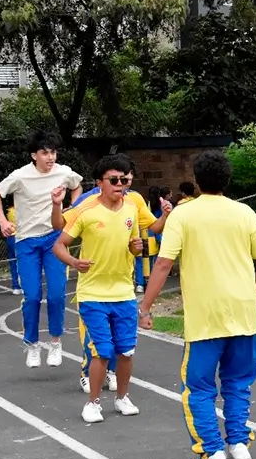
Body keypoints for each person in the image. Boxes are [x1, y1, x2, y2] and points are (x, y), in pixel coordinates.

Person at [138, 151, 256, 459]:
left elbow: (164, 263)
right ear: (228, 179)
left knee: (198, 387)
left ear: (196, 181)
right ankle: (239, 445)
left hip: (205, 318)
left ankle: (211, 452)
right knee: (238, 383)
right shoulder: (245, 213)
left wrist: (145, 304)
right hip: (242, 313)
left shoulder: (183, 216)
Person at [53, 155, 172, 395]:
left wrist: (165, 216)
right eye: (115, 179)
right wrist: (57, 206)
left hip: (122, 288)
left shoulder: (134, 202)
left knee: (124, 345)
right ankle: (88, 375)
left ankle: (115, 381)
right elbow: (59, 230)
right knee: (98, 345)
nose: (121, 184)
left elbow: (152, 228)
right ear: (100, 182)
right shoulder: (87, 204)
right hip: (93, 289)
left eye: (126, 179)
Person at [0, 131, 83, 369]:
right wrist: (2, 221)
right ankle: (32, 344)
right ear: (34, 155)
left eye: (53, 152)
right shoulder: (21, 176)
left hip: (54, 238)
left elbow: (78, 186)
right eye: (45, 153)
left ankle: (55, 341)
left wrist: (72, 210)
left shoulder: (64, 172)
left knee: (55, 294)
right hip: (27, 241)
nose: (50, 157)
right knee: (32, 296)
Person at [4, 198, 22, 295]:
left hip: (21, 236)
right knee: (15, 262)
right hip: (15, 237)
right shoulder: (11, 211)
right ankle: (16, 285)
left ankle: (22, 285)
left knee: (22, 262)